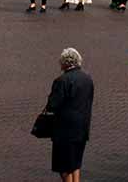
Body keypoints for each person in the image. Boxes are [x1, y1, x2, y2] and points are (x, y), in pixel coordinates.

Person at [44, 47, 94, 182]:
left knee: (64, 167)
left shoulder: (61, 81)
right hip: (82, 129)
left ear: (64, 63)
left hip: (64, 131)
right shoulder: (87, 79)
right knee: (76, 163)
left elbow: (53, 105)